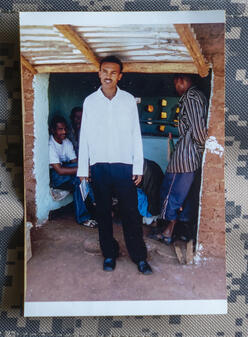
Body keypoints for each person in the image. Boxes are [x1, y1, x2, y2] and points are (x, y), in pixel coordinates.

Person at [77, 55, 152, 275]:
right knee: (103, 212)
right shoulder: (90, 101)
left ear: (119, 76)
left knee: (130, 212)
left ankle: (139, 257)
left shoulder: (128, 100)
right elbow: (85, 136)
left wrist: (137, 167)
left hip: (124, 166)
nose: (108, 76)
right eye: (104, 71)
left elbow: (135, 135)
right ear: (99, 73)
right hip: (99, 166)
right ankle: (109, 254)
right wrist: (84, 169)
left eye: (113, 72)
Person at [150, 75, 208, 244]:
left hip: (185, 156)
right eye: (175, 81)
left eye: (178, 80)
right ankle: (181, 233)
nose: (176, 84)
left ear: (184, 81)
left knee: (171, 193)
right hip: (192, 155)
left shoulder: (191, 96)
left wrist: (198, 146)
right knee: (184, 196)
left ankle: (167, 233)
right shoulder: (198, 95)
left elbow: (198, 129)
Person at [49, 115, 97, 228]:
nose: (64, 132)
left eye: (65, 129)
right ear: (53, 130)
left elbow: (76, 163)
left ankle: (95, 204)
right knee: (80, 177)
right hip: (56, 177)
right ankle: (86, 214)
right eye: (60, 129)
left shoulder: (67, 142)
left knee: (80, 178)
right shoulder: (50, 145)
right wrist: (84, 171)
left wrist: (84, 172)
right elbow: (59, 171)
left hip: (69, 173)